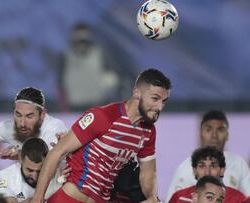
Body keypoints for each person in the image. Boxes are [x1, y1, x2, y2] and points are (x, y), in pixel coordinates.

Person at [30, 68, 172, 203]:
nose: (160, 107)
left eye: (164, 102)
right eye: (155, 99)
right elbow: (56, 152)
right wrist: (38, 198)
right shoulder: (103, 116)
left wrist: (152, 197)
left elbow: (148, 173)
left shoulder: (148, 131)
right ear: (137, 92)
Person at [166, 110, 250, 202]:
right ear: (200, 134)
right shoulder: (184, 170)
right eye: (208, 129)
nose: (214, 135)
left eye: (220, 129)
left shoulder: (238, 164)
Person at [58, 22, 120, 110]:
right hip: (74, 107)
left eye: (84, 39)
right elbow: (60, 82)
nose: (81, 43)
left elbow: (113, 78)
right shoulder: (65, 56)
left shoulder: (100, 54)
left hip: (97, 105)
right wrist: (63, 104)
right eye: (78, 39)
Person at [0, 138, 63, 203]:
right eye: (30, 170)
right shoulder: (0, 178)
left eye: (40, 171)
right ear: (21, 160)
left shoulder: (60, 170)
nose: (35, 177)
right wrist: (52, 189)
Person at [168, 146, 245, 203]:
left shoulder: (238, 198)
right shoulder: (179, 197)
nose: (207, 172)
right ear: (194, 171)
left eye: (213, 166)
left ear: (222, 170)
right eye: (202, 166)